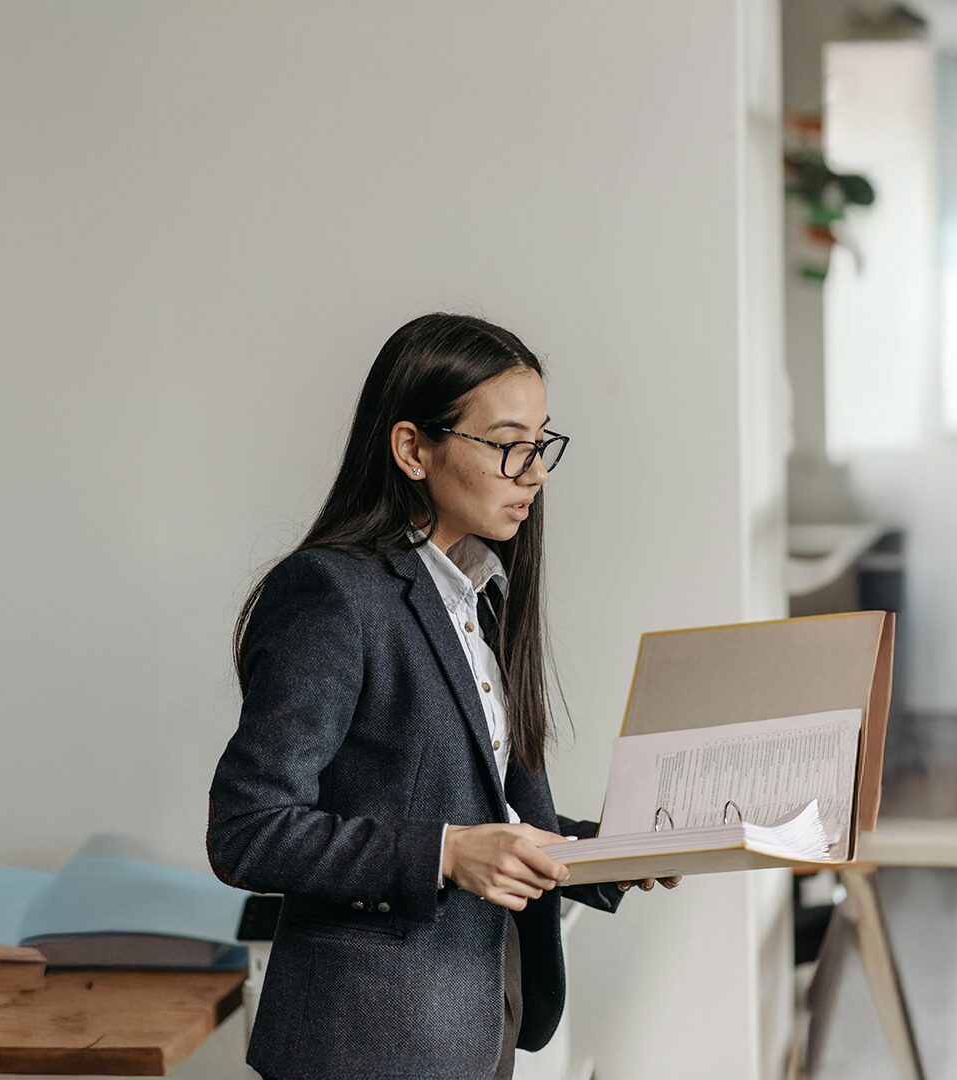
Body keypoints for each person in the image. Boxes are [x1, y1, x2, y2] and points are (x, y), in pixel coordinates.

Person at [206, 312, 679, 1079]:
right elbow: (248, 829)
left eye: (542, 442)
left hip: (480, 1018)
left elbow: (480, 810)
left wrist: (604, 851)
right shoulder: (333, 593)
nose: (536, 471)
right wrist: (448, 853)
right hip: (366, 1043)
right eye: (508, 444)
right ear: (412, 449)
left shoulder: (478, 595)